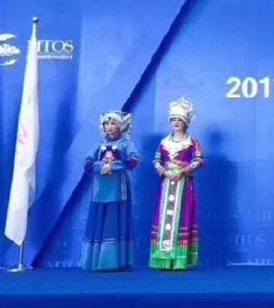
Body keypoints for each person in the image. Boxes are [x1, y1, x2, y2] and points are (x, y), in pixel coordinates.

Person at [150, 97, 204, 270]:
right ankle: (163, 259)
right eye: (173, 119)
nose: (176, 123)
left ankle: (180, 260)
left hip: (183, 185)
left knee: (182, 217)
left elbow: (199, 160)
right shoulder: (164, 142)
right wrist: (164, 171)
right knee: (164, 218)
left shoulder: (192, 142)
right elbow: (156, 160)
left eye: (179, 120)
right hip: (166, 185)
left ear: (185, 122)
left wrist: (183, 171)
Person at [82, 111, 139, 271]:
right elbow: (87, 163)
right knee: (100, 219)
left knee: (115, 220)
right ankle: (97, 260)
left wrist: (113, 166)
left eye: (113, 123)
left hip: (118, 188)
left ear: (120, 126)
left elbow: (134, 161)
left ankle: (116, 261)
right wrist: (102, 166)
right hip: (100, 188)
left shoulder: (126, 143)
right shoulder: (99, 144)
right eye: (107, 123)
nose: (109, 127)